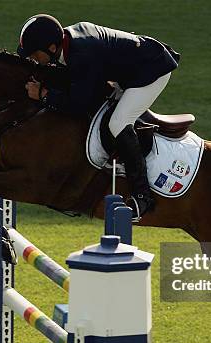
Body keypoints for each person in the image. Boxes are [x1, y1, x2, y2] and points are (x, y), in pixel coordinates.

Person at [17, 14, 180, 221]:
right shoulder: (66, 42)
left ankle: (142, 195)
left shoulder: (81, 52)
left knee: (118, 123)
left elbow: (78, 104)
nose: (32, 59)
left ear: (51, 47)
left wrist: (44, 95)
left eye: (33, 54)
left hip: (151, 71)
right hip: (129, 70)